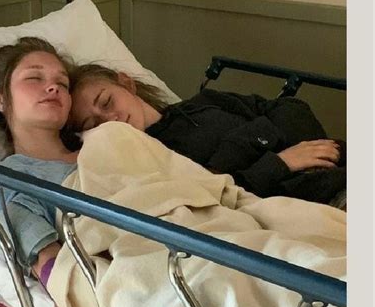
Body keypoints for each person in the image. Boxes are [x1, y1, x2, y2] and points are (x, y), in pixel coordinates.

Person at [67, 63, 346, 206]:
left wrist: (231, 155)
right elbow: (215, 198)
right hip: (311, 203)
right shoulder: (153, 158)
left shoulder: (204, 102)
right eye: (95, 124)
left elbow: (290, 108)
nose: (111, 119)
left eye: (107, 102)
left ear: (126, 83)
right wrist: (279, 163)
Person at [0, 37, 78, 290]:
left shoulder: (105, 144)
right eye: (34, 78)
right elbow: (43, 258)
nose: (53, 87)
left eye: (63, 83)